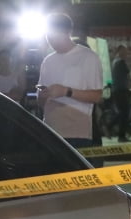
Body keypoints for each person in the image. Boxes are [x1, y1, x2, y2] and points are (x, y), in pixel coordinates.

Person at [36, 13, 103, 149]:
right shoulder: (48, 61)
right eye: (47, 34)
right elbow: (40, 101)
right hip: (50, 131)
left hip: (78, 134)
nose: (49, 39)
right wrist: (43, 96)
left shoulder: (88, 57)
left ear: (67, 32)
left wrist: (66, 91)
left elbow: (96, 96)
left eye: (53, 33)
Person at [110, 45, 131, 142]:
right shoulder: (121, 62)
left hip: (116, 90)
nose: (126, 53)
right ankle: (121, 136)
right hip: (121, 91)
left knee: (121, 112)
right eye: (124, 51)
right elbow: (128, 76)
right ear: (119, 51)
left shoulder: (114, 62)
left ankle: (110, 126)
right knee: (125, 113)